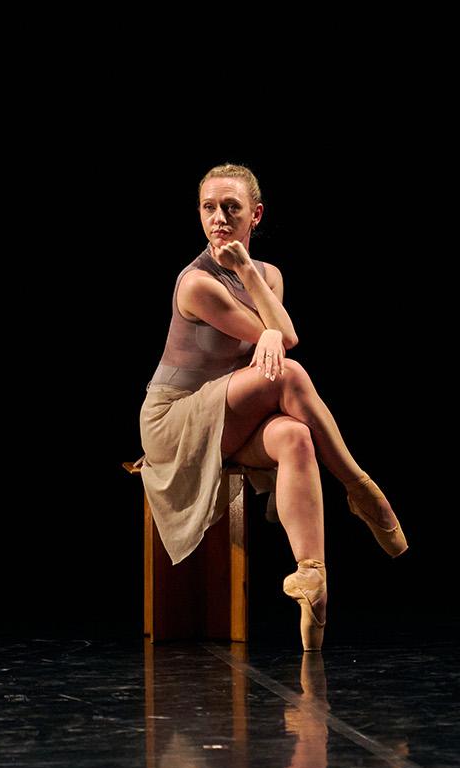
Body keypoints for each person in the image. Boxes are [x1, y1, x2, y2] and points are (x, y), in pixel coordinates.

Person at [137, 163, 407, 651]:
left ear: (255, 215)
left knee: (296, 437)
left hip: (231, 412)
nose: (218, 218)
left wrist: (249, 279)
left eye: (231, 208)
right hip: (175, 419)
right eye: (208, 208)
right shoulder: (196, 283)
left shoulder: (268, 275)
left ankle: (312, 580)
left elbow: (284, 333)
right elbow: (283, 342)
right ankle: (362, 489)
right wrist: (264, 327)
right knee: (291, 375)